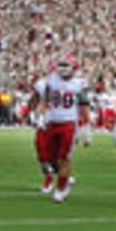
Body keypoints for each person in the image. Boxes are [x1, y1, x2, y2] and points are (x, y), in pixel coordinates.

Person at [32, 58, 86, 202]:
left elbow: (84, 106)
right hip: (52, 122)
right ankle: (66, 180)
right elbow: (46, 100)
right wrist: (42, 116)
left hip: (68, 123)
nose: (62, 68)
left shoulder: (78, 84)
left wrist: (86, 127)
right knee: (51, 159)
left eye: (65, 65)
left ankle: (60, 189)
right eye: (60, 65)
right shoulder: (52, 80)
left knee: (64, 158)